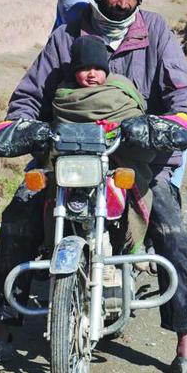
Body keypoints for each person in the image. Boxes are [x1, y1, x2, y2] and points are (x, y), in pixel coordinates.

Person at [0, 0, 187, 373]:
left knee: (172, 230)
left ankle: (185, 347)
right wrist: (24, 124)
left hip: (136, 159)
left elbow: (184, 95)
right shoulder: (68, 34)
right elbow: (30, 93)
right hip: (65, 157)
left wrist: (171, 125)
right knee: (18, 217)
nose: (122, 1)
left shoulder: (156, 31)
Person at [53, 34, 154, 255]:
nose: (91, 74)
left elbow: (135, 118)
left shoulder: (119, 90)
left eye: (97, 68)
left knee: (169, 222)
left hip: (117, 157)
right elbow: (58, 127)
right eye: (84, 68)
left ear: (106, 70)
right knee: (27, 210)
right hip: (73, 164)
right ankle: (22, 277)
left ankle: (139, 250)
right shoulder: (64, 96)